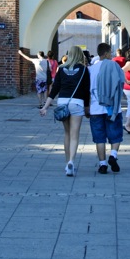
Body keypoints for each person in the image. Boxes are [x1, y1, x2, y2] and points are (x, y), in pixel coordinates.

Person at [40, 45, 90, 176]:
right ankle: (72, 162)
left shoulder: (61, 69)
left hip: (63, 102)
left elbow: (55, 89)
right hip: (77, 103)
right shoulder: (84, 70)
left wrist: (45, 107)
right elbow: (86, 90)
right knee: (75, 135)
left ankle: (67, 161)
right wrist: (87, 107)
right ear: (80, 55)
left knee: (66, 134)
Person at [88, 42, 125, 173]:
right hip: (112, 108)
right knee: (115, 135)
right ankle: (113, 155)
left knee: (99, 138)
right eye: (110, 52)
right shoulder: (114, 66)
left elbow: (88, 90)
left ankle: (102, 164)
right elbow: (121, 83)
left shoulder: (91, 69)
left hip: (96, 108)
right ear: (106, 53)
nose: (112, 55)